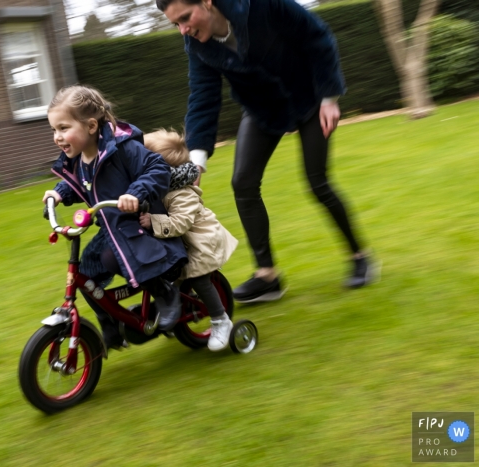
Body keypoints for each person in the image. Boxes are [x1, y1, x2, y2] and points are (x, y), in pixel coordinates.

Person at [156, 0, 376, 303]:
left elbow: (317, 35)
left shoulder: (261, 5)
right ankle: (267, 276)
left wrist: (329, 96)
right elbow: (203, 97)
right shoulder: (196, 45)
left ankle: (360, 256)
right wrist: (196, 162)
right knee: (243, 183)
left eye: (185, 18)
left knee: (317, 182)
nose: (183, 29)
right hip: (263, 110)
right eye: (175, 24)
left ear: (207, 2)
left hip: (308, 98)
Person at [43, 85, 188, 349]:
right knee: (85, 273)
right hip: (110, 227)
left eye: (63, 128)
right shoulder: (77, 159)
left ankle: (165, 293)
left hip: (138, 224)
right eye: (54, 130)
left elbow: (157, 169)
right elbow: (79, 183)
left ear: (90, 126)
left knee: (124, 256)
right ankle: (108, 320)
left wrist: (135, 193)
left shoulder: (123, 149)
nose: (57, 136)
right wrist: (58, 193)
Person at [139, 129, 239, 351]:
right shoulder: (157, 187)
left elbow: (180, 223)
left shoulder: (182, 193)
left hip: (200, 243)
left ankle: (220, 319)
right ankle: (165, 312)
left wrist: (152, 222)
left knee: (199, 278)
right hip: (179, 241)